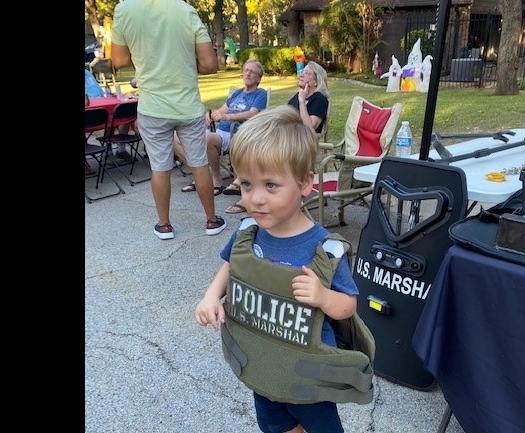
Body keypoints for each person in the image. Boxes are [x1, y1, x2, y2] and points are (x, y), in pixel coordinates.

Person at [195, 106, 364, 433]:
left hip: (308, 374)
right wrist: (210, 297)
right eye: (246, 184)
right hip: (262, 366)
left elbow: (348, 307)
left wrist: (323, 296)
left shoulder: (324, 249)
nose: (255, 198)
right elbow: (232, 266)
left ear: (304, 183)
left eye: (271, 185)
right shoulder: (247, 233)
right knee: (274, 425)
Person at [112, 0, 226, 240]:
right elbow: (209, 64)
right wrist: (182, 61)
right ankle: (211, 221)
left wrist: (148, 60)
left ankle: (164, 225)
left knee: (160, 167)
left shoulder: (125, 10)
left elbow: (119, 60)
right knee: (198, 163)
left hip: (152, 107)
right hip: (187, 106)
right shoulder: (186, 11)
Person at [174, 59, 267, 197]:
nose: (248, 74)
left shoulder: (260, 94)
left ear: (259, 78)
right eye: (246, 70)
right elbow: (221, 110)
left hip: (237, 134)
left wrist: (228, 117)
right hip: (219, 131)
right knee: (175, 136)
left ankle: (216, 180)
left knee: (208, 138)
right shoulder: (237, 93)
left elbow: (252, 113)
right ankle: (202, 174)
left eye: (252, 72)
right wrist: (210, 115)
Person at [287, 61, 329, 134]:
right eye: (302, 72)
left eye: (307, 73)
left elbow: (310, 128)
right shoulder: (298, 95)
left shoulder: (320, 99)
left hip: (303, 141)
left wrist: (302, 101)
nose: (301, 75)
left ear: (316, 81)